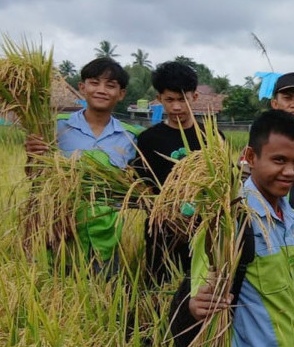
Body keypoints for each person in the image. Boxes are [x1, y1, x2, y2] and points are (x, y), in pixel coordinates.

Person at [186, 110, 294, 347]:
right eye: (279, 160)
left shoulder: (293, 219)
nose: (290, 172)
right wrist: (198, 304)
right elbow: (201, 297)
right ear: (251, 157)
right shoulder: (228, 220)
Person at [24, 57, 136, 265]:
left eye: (110, 86)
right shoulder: (54, 128)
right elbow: (34, 177)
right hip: (60, 233)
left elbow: (138, 185)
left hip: (106, 237)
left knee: (106, 293)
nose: (101, 90)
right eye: (94, 83)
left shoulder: (131, 137)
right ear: (82, 88)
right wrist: (32, 155)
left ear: (121, 94)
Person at [134, 61, 214, 281]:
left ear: (194, 97)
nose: (177, 107)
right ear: (159, 99)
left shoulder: (212, 138)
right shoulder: (148, 140)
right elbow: (140, 187)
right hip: (162, 234)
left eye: (182, 99)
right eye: (170, 100)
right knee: (159, 291)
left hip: (203, 234)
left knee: (202, 289)